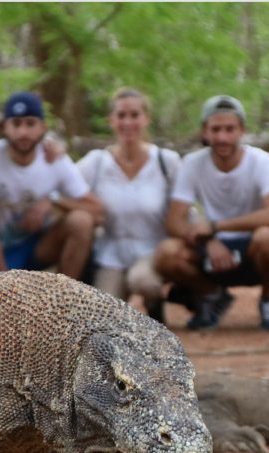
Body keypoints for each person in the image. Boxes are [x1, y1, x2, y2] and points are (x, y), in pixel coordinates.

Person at [154, 95, 269, 331]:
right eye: (216, 129)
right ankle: (212, 295)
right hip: (211, 254)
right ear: (204, 132)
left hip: (252, 249)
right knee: (166, 254)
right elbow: (174, 221)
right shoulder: (193, 164)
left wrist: (216, 226)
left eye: (229, 129)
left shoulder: (264, 163)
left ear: (242, 131)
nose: (222, 137)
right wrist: (209, 241)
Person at [0, 92, 102, 279]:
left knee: (81, 221)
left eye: (30, 124)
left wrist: (54, 201)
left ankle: (63, 299)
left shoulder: (55, 159)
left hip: (36, 247)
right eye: (16, 124)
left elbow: (97, 210)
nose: (23, 132)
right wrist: (6, 281)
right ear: (3, 127)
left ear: (42, 128)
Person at [76, 88, 181, 322]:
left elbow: (184, 211)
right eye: (121, 116)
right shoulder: (96, 163)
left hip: (152, 250)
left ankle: (156, 304)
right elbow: (61, 189)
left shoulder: (167, 162)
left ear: (146, 118)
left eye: (134, 115)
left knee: (141, 280)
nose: (127, 122)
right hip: (109, 253)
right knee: (103, 316)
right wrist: (91, 208)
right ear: (111, 121)